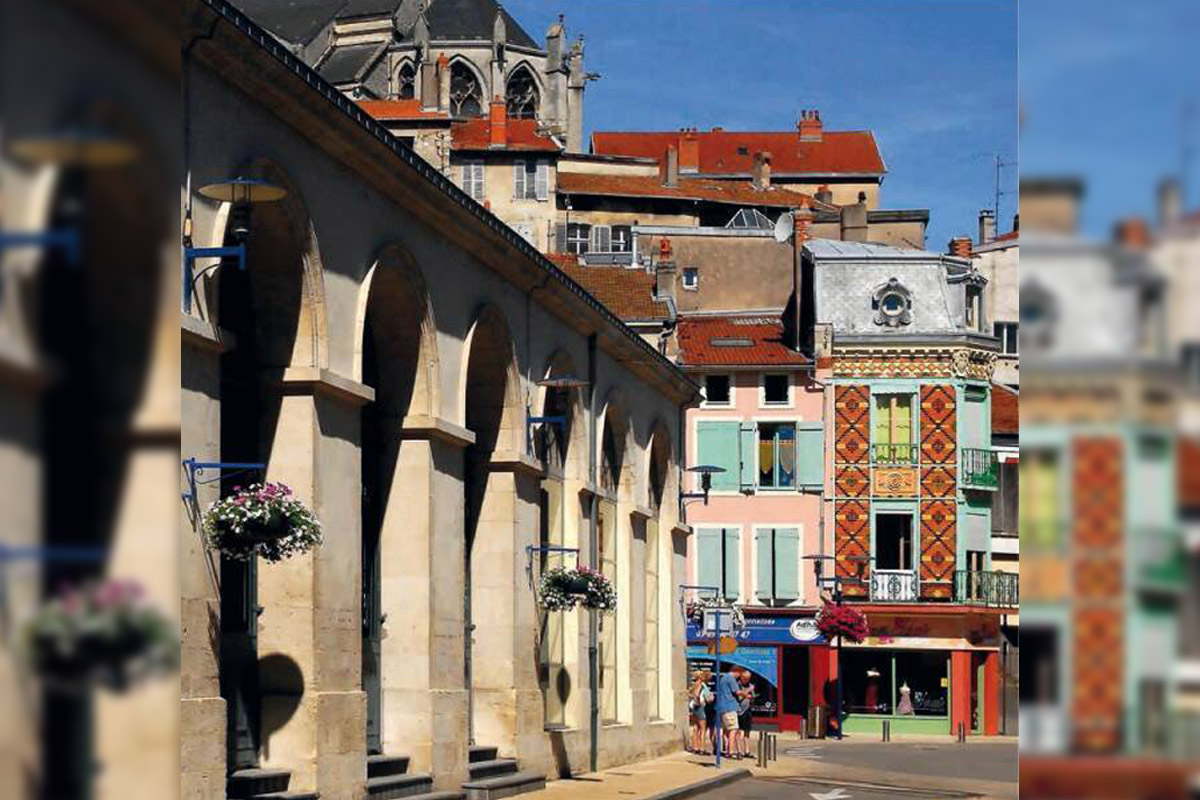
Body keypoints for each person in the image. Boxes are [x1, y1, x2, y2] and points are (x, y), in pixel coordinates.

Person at [714, 666, 741, 757]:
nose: (739, 676)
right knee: (733, 729)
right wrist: (747, 692)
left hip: (721, 707)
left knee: (726, 730)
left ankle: (727, 749)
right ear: (735, 671)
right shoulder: (730, 678)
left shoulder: (723, 678)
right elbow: (737, 692)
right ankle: (731, 752)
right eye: (739, 673)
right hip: (729, 707)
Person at [688, 670, 710, 753]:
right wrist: (698, 698)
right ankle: (702, 748)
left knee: (695, 727)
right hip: (699, 706)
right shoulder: (701, 685)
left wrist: (693, 697)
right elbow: (697, 694)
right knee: (703, 728)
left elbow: (689, 693)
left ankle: (695, 747)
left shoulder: (694, 684)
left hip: (694, 707)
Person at [735, 668, 756, 758]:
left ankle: (747, 750)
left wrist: (752, 696)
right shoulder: (737, 685)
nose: (747, 681)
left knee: (747, 731)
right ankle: (739, 751)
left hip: (748, 709)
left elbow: (753, 697)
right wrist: (747, 692)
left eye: (748, 679)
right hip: (739, 710)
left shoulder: (749, 685)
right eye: (745, 678)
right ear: (741, 677)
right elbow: (739, 697)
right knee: (740, 731)